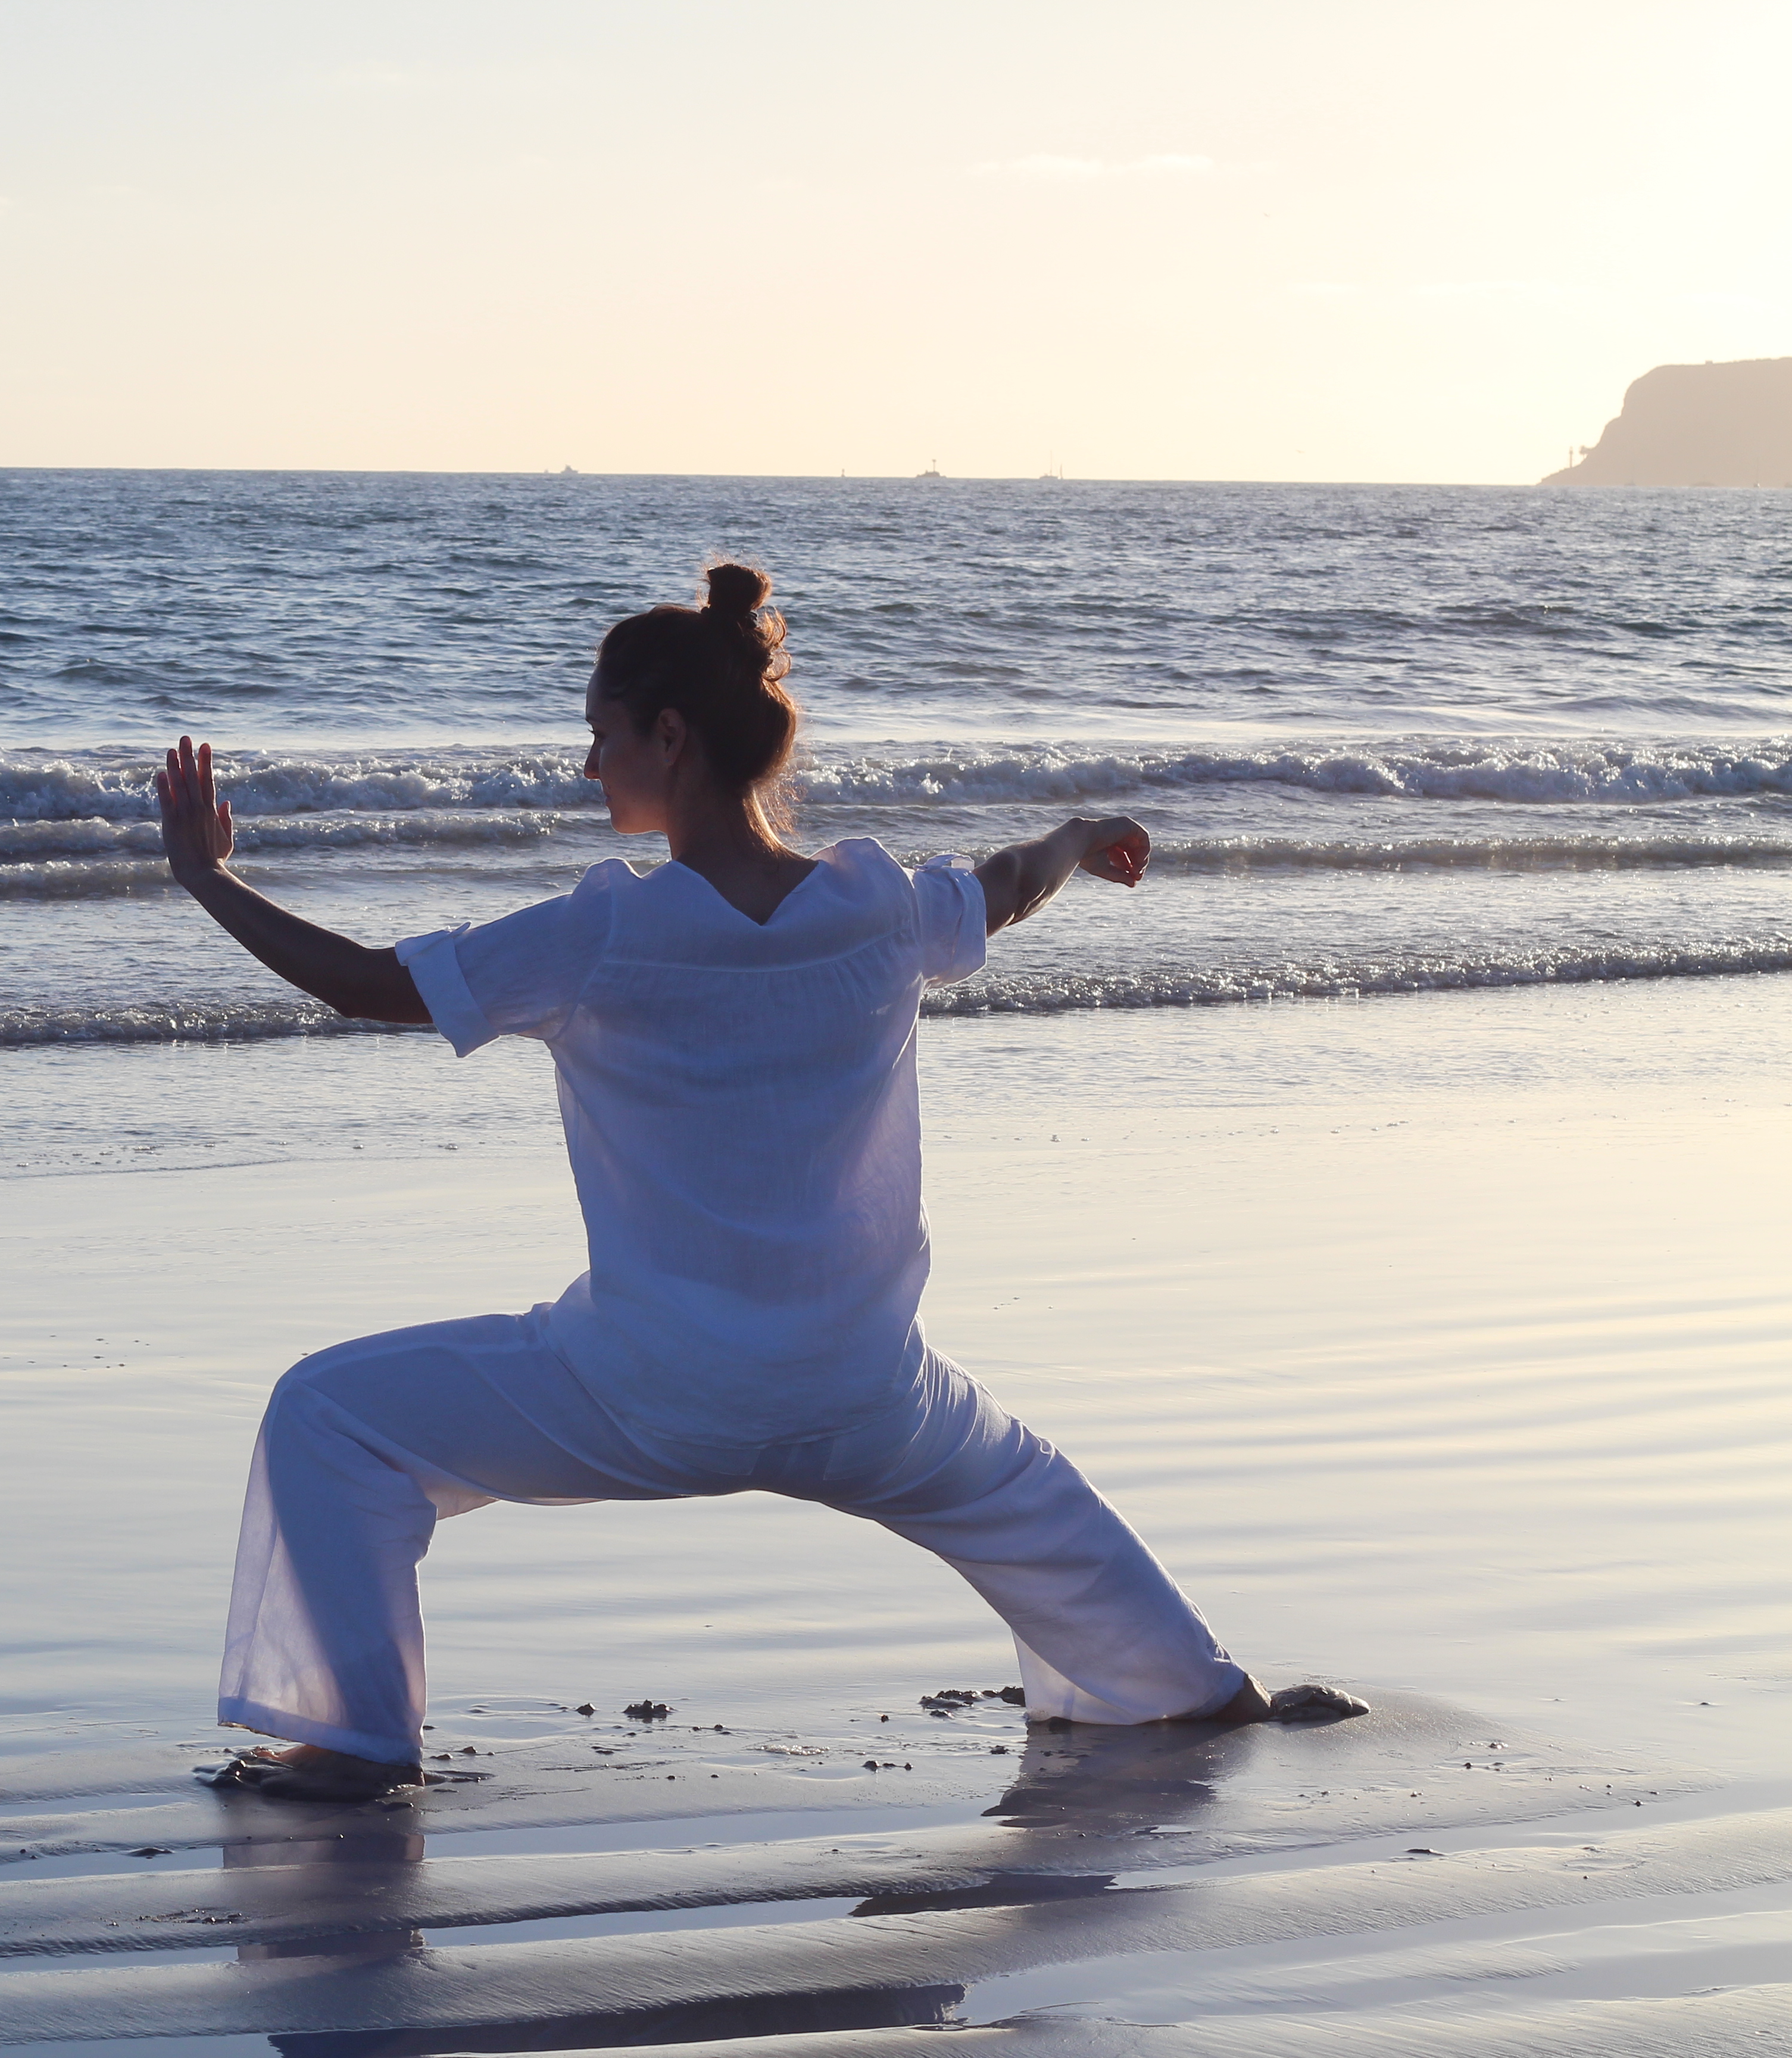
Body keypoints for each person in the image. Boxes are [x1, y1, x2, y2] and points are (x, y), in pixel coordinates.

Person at [158, 563, 1353, 1805]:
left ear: (668, 735)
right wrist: (1071, 838)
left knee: (330, 1416)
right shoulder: (880, 906)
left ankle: (352, 1740)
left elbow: (366, 985)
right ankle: (1193, 1690)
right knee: (1039, 1511)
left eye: (599, 734)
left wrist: (208, 877)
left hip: (646, 1390)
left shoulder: (603, 931)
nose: (585, 766)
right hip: (866, 1390)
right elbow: (1002, 892)